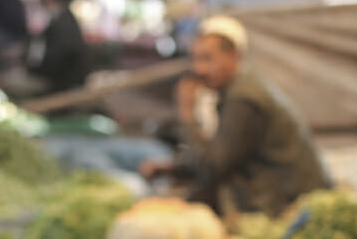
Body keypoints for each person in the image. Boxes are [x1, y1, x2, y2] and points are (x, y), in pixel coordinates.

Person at [140, 15, 330, 217]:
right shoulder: (237, 89)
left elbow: (212, 170)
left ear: (234, 56)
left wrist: (187, 115)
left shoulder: (243, 99)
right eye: (195, 59)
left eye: (207, 59)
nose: (198, 69)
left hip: (290, 206)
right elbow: (223, 155)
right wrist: (172, 168)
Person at [26, 0, 88, 94]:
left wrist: (33, 69)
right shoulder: (65, 17)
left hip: (62, 85)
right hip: (64, 81)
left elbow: (56, 60)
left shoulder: (62, 22)